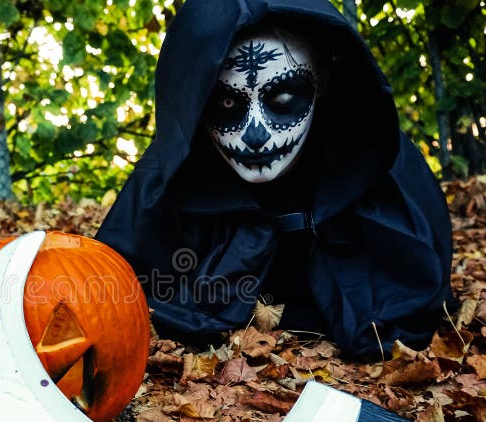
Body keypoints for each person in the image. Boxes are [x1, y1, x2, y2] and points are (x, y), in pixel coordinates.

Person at [95, 0, 458, 357]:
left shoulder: (384, 170)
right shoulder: (163, 184)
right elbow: (107, 289)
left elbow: (416, 288)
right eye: (226, 104)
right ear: (195, 101)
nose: (256, 135)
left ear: (323, 83)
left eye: (283, 98)